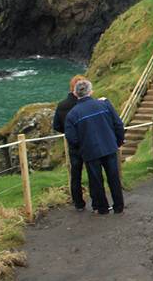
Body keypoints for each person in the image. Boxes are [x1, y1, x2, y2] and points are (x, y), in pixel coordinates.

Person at [64, 79, 125, 215]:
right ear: (91, 91)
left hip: (90, 151)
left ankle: (102, 208)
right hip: (109, 146)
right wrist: (118, 142)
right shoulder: (104, 105)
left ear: (75, 94)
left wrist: (82, 148)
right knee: (114, 177)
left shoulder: (72, 114)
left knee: (96, 181)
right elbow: (118, 124)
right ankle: (119, 207)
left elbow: (71, 138)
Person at [52, 74, 88, 211]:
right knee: (93, 171)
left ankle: (78, 203)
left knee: (75, 174)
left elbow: (56, 126)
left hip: (73, 144)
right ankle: (98, 201)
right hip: (87, 141)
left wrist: (68, 132)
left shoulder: (62, 105)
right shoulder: (85, 103)